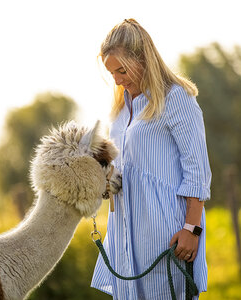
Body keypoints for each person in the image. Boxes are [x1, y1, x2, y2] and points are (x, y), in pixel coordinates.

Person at [91, 19, 212, 300]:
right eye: (112, 74)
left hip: (165, 233)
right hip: (123, 233)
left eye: (122, 70)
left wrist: (192, 229)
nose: (118, 80)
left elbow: (198, 170)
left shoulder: (176, 98)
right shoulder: (121, 110)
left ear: (143, 58)